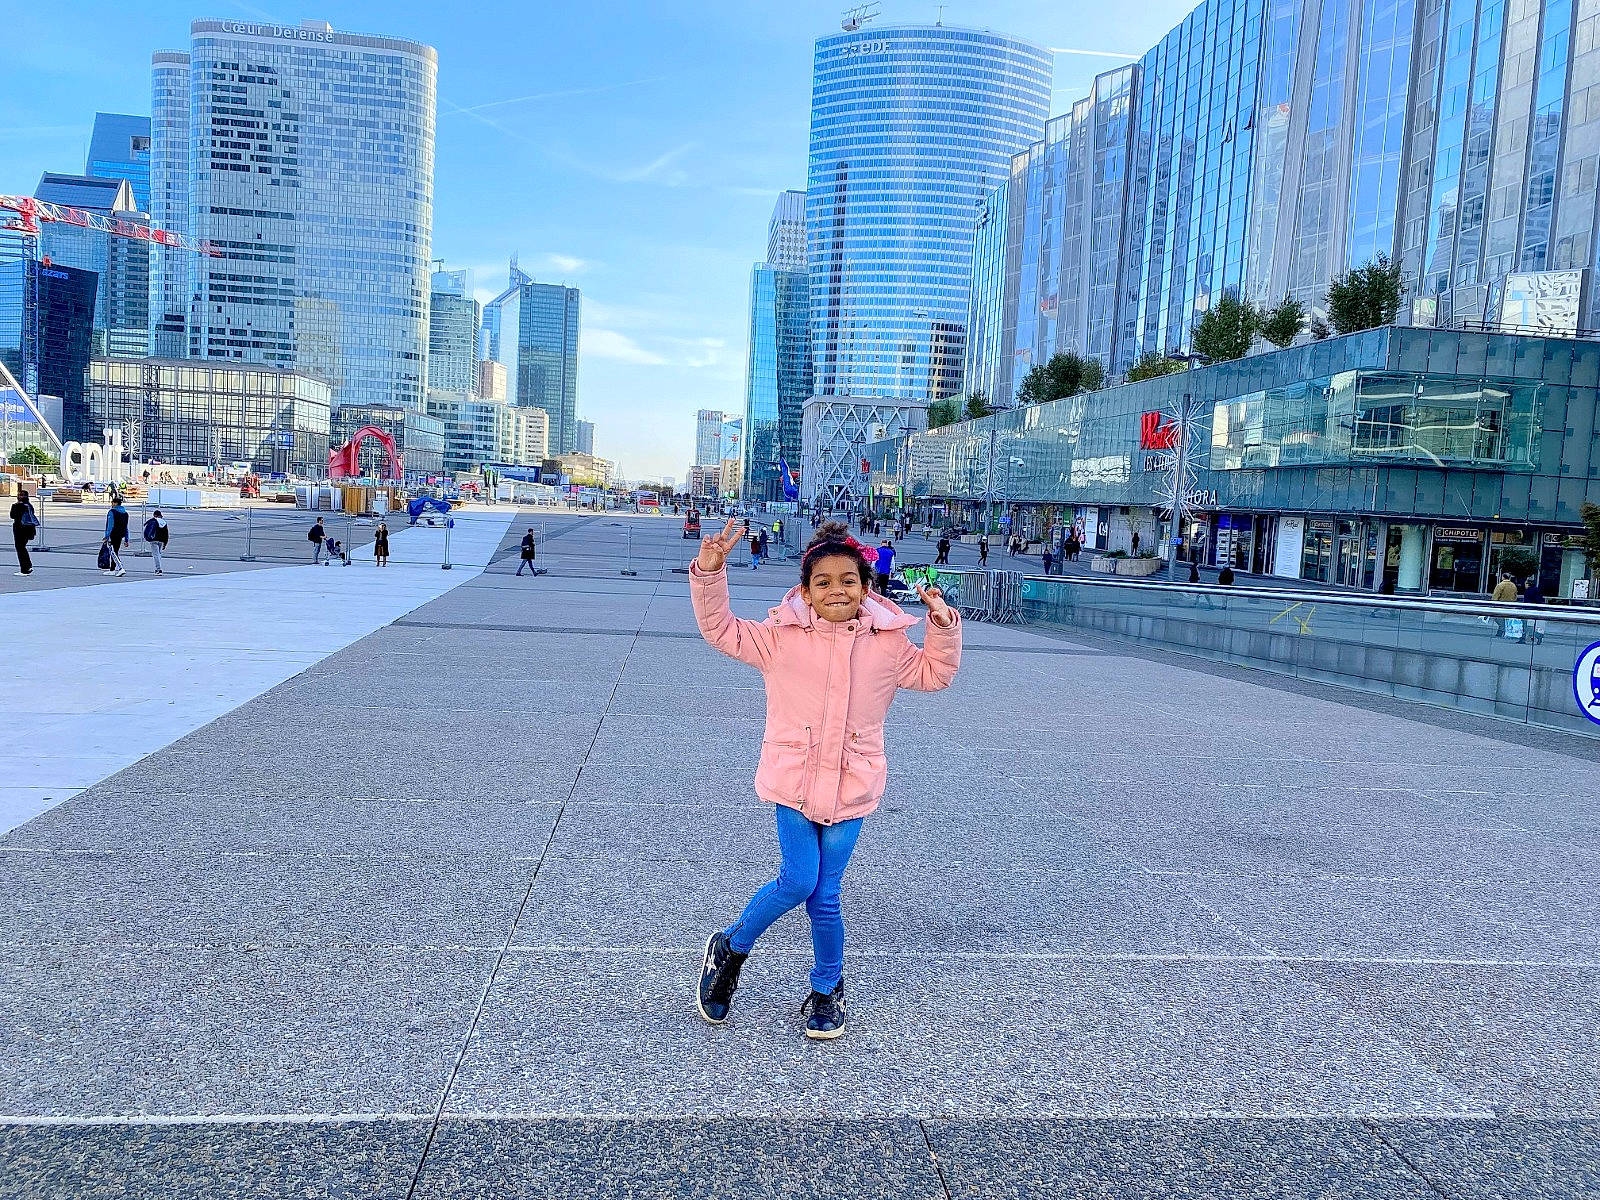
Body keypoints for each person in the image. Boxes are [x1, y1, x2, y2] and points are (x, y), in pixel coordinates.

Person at [689, 517, 961, 1039]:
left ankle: (826, 987)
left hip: (852, 787)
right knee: (799, 879)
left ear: (866, 587)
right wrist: (710, 570)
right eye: (823, 582)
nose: (837, 590)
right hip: (793, 783)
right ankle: (730, 949)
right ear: (806, 592)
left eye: (848, 581)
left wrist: (943, 628)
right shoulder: (779, 640)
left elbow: (936, 674)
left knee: (825, 895)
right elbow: (720, 629)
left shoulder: (888, 646)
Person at [10, 488, 38, 576]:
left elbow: (12, 516)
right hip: (29, 529)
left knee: (20, 548)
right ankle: (27, 566)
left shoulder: (17, 506)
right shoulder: (29, 505)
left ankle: (25, 569)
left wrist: (15, 506)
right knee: (22, 547)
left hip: (20, 528)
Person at [103, 495, 130, 577]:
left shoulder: (112, 512)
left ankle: (120, 568)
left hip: (113, 534)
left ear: (115, 503)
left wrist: (106, 536)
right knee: (115, 551)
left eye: (112, 502)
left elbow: (110, 525)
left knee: (113, 552)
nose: (111, 504)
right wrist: (126, 539)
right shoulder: (125, 513)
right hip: (121, 534)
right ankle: (112, 569)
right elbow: (126, 526)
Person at [143, 509, 170, 575]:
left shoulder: (153, 521)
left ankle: (159, 569)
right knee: (159, 555)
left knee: (156, 555)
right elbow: (166, 534)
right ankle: (158, 568)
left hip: (153, 540)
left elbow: (147, 530)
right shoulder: (164, 522)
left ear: (154, 515)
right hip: (161, 540)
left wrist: (148, 538)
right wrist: (165, 543)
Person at [1491, 571, 1518, 635]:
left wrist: (1493, 604)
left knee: (1498, 618)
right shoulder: (1513, 585)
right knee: (1506, 618)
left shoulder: (1500, 585)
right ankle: (1502, 630)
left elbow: (1496, 595)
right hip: (1510, 605)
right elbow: (1515, 596)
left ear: (1503, 577)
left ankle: (1501, 629)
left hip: (1500, 605)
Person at [1521, 575, 1546, 645]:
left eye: (1525, 583)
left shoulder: (1528, 591)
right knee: (1535, 625)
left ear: (1528, 584)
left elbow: (1526, 602)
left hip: (1529, 610)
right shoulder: (1537, 589)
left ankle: (1525, 638)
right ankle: (1538, 636)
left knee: (1527, 625)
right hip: (1537, 610)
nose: (1524, 585)